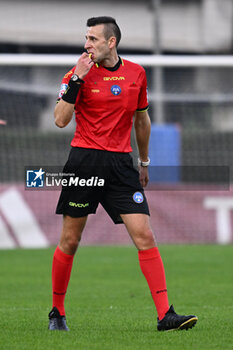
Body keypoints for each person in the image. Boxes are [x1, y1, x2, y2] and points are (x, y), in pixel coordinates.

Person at [48, 16, 198, 332]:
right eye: (86, 38)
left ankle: (165, 315)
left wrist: (144, 162)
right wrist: (77, 78)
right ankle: (57, 312)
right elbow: (60, 120)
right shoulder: (77, 73)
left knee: (144, 235)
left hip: (121, 166)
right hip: (84, 163)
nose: (86, 45)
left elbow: (142, 122)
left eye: (92, 39)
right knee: (70, 240)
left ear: (111, 42)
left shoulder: (136, 73)